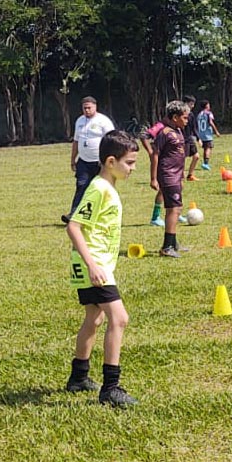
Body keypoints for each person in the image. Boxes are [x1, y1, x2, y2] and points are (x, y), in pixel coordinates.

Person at [65, 130, 140, 407]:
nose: (132, 169)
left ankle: (79, 376)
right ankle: (111, 388)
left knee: (94, 319)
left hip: (94, 264)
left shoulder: (107, 186)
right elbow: (73, 226)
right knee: (119, 318)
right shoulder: (98, 189)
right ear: (110, 161)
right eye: (129, 163)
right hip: (93, 265)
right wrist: (93, 264)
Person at [63, 97, 114, 224]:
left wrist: (108, 159)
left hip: (100, 162)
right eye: (84, 108)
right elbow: (76, 141)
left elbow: (112, 140)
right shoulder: (79, 121)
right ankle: (74, 214)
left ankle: (103, 214)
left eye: (89, 107)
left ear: (95, 107)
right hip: (84, 161)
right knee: (81, 186)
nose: (87, 110)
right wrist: (73, 159)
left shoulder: (103, 121)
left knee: (101, 188)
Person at [151, 100, 190, 258]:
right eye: (185, 117)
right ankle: (167, 247)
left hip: (176, 175)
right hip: (167, 175)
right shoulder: (165, 133)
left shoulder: (178, 131)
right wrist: (153, 178)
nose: (187, 121)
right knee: (173, 210)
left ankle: (173, 243)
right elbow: (155, 155)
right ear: (175, 117)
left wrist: (182, 175)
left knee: (177, 208)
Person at [195, 99, 222, 170]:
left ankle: (205, 163)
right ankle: (206, 164)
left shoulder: (199, 114)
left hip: (201, 134)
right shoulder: (208, 113)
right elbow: (210, 122)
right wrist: (216, 131)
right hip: (207, 134)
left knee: (205, 148)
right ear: (207, 105)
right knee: (208, 148)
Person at [182, 94, 202, 181]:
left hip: (189, 138)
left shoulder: (191, 115)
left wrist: (198, 138)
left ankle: (190, 175)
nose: (193, 106)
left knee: (196, 156)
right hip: (182, 139)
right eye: (191, 104)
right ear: (186, 103)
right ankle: (179, 175)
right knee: (182, 158)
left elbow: (194, 128)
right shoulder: (180, 114)